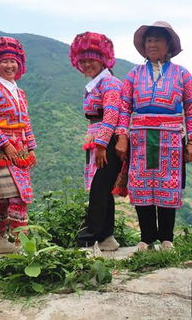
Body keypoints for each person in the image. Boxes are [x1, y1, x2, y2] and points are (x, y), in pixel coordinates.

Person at [115, 21, 192, 251]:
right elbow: (124, 106)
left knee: (168, 185)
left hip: (172, 138)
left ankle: (166, 238)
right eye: (149, 40)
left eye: (157, 40)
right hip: (140, 139)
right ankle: (146, 238)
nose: (152, 44)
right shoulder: (134, 75)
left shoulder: (182, 74)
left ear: (168, 45)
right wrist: (122, 136)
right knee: (140, 185)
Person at [0, 36, 36, 255]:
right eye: (4, 61)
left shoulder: (20, 93)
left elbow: (26, 121)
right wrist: (4, 143)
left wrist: (31, 147)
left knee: (7, 197)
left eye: (13, 61)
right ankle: (21, 243)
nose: (10, 65)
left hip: (20, 148)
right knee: (14, 196)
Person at [69, 32, 123, 251]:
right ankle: (106, 237)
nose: (87, 64)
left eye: (91, 58)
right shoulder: (96, 84)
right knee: (103, 189)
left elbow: (111, 115)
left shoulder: (109, 83)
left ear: (103, 59)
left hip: (106, 142)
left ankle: (89, 239)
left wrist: (101, 145)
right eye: (83, 60)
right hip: (97, 140)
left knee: (98, 190)